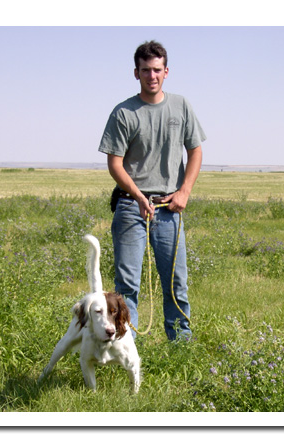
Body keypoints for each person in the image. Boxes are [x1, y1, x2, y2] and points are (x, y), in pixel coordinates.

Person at [98, 40, 206, 340]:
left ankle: (181, 347)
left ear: (166, 71)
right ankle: (124, 350)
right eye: (145, 70)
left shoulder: (181, 106)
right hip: (131, 206)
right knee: (127, 286)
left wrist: (184, 191)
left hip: (169, 207)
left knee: (176, 283)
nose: (152, 76)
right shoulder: (123, 113)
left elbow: (195, 151)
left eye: (157, 70)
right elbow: (115, 164)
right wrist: (137, 196)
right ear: (136, 73)